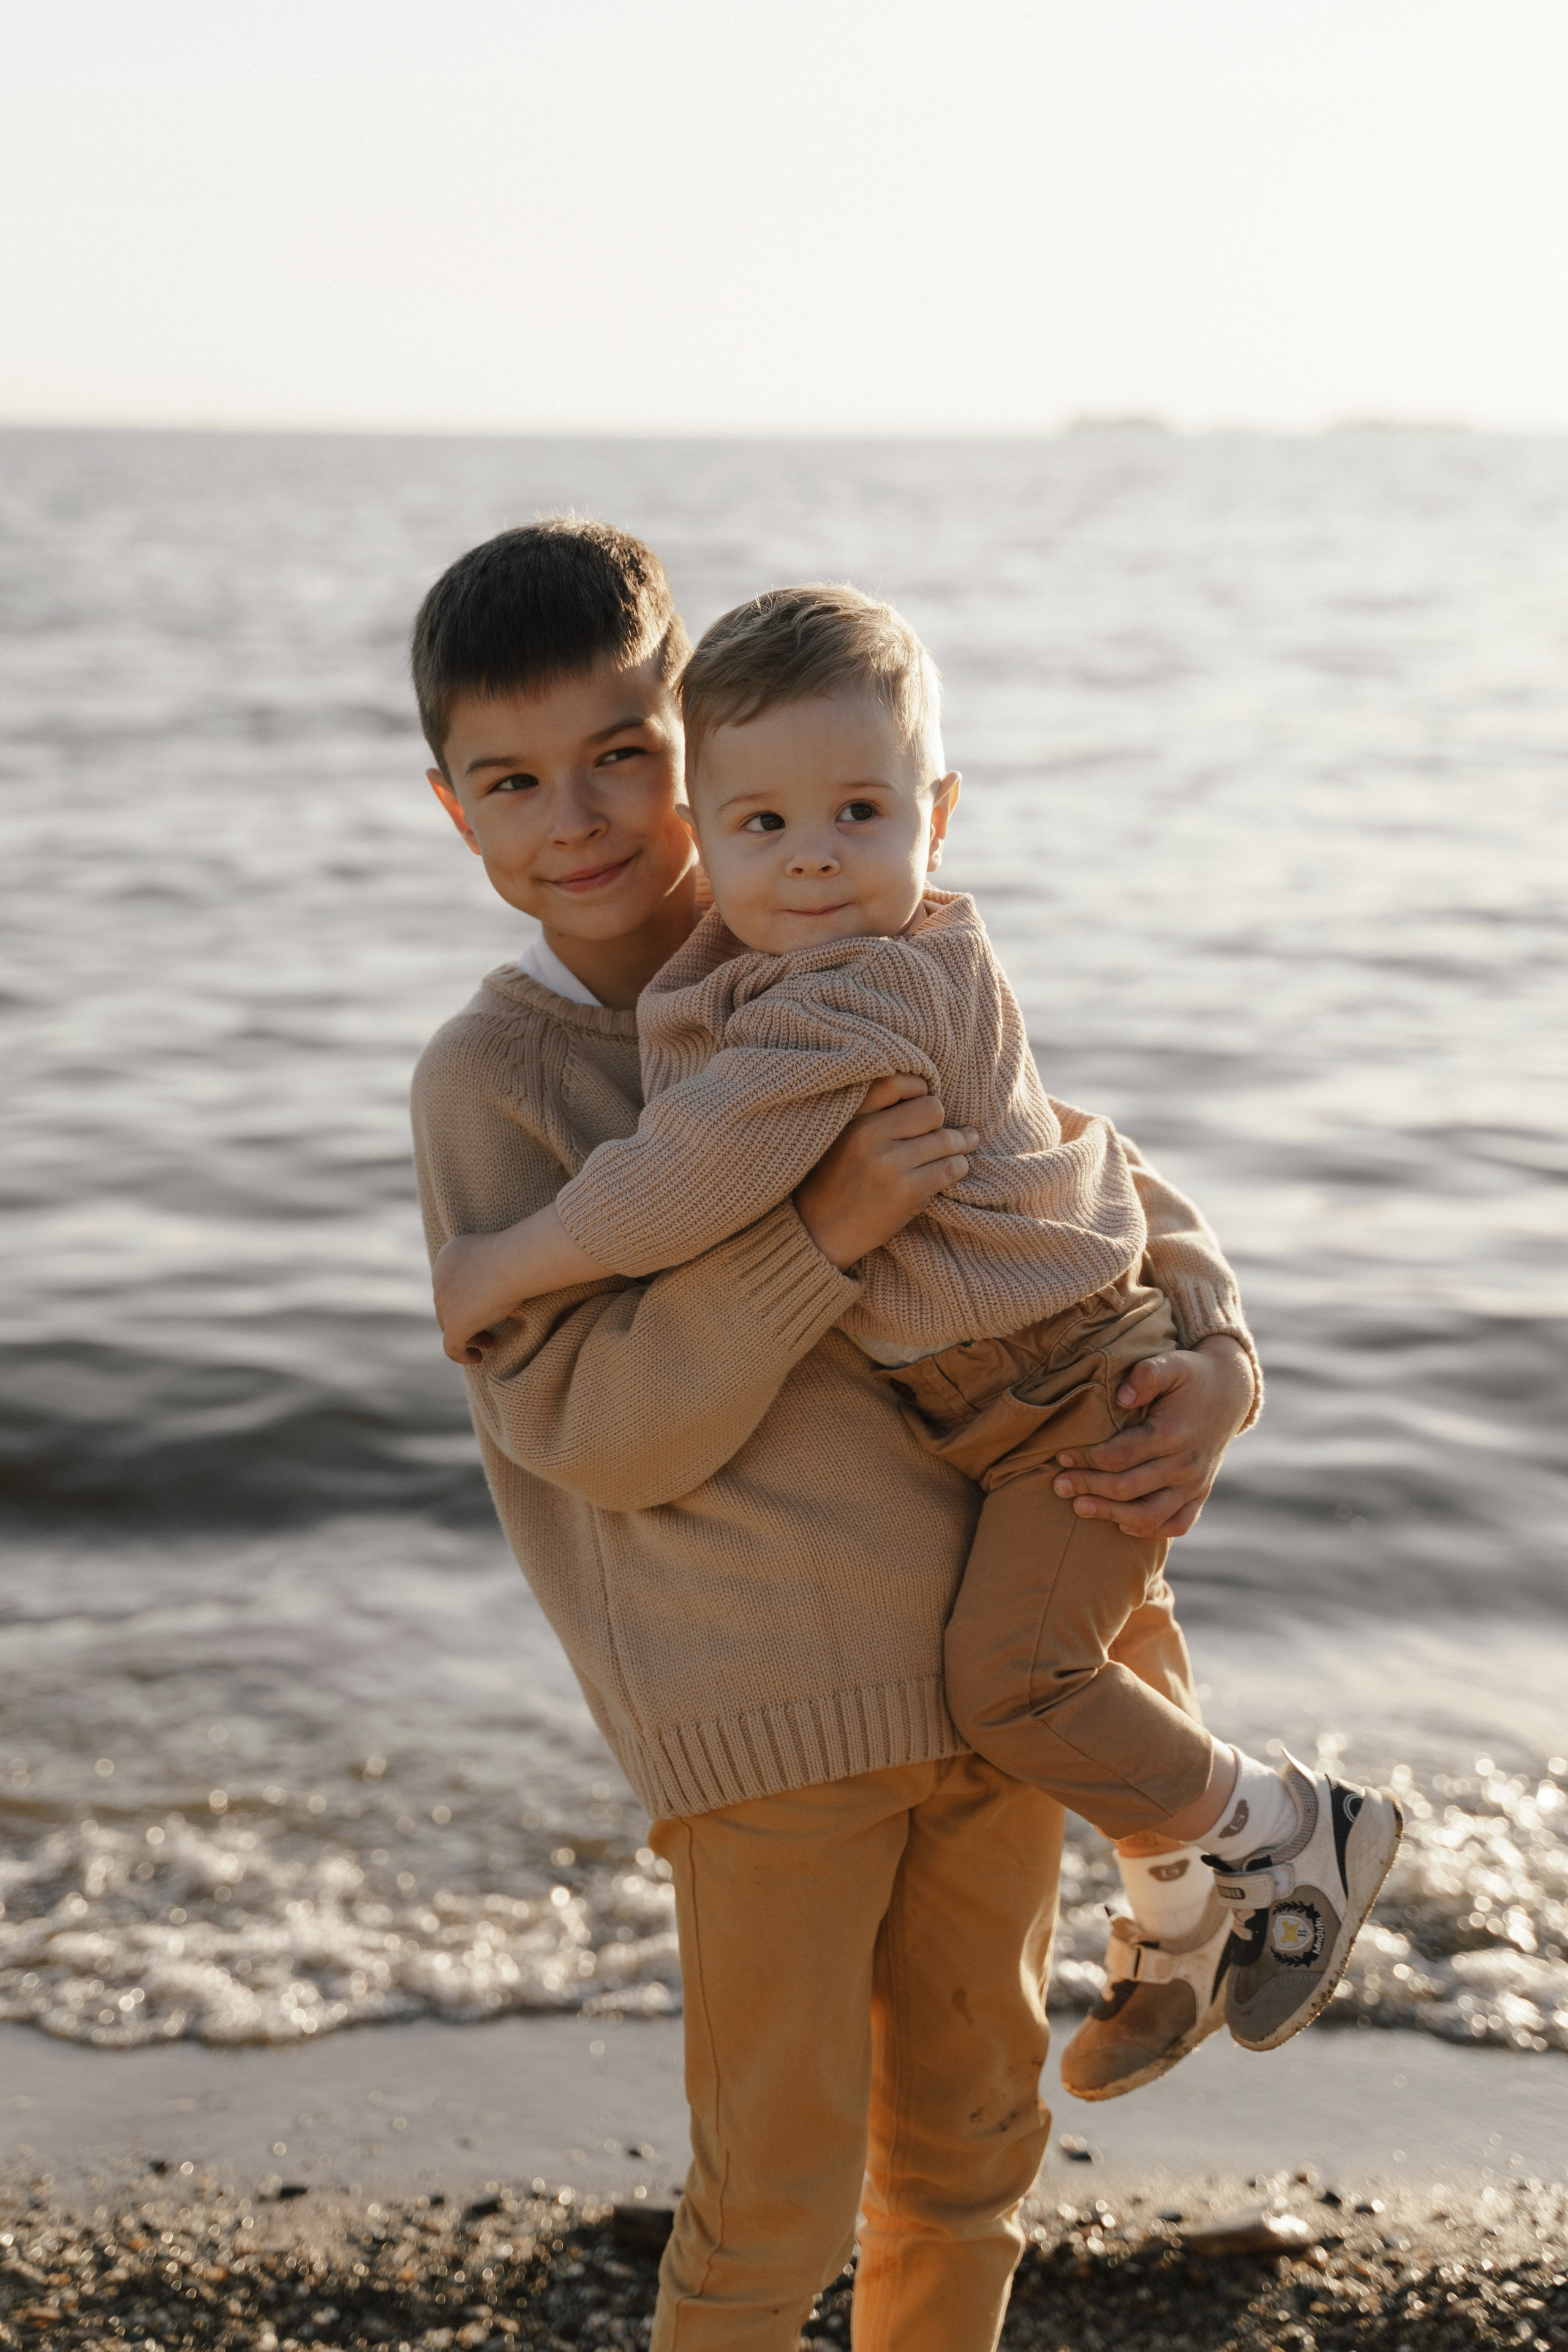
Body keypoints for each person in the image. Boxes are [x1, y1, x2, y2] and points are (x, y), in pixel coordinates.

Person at [411, 521, 1263, 2351]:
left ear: (699, 754)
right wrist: (821, 1243)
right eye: (515, 781)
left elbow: (1061, 1162)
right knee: (772, 2204)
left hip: (992, 1670)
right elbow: (597, 1426)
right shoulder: (497, 1081)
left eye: (624, 759)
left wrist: (1214, 1345)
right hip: (769, 1718)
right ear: (452, 808)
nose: (582, 818)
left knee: (968, 2159)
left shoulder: (823, 934)